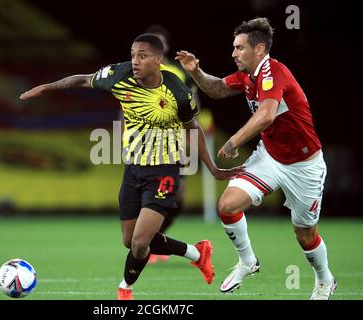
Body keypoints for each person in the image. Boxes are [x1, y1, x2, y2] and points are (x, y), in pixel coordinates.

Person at [20, 34, 244, 300]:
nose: (135, 61)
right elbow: (82, 79)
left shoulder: (177, 92)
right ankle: (197, 253)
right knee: (130, 241)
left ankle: (124, 289)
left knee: (140, 243)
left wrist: (214, 169)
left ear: (158, 61)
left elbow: (192, 129)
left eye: (142, 56)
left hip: (165, 170)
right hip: (134, 169)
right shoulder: (119, 74)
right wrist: (46, 87)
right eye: (133, 54)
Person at [176, 17, 336, 300]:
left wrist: (234, 141)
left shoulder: (275, 73)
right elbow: (216, 88)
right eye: (234, 48)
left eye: (239, 48)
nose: (233, 53)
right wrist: (196, 71)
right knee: (227, 204)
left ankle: (325, 280)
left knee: (305, 234)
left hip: (305, 165)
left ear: (259, 49)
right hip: (271, 158)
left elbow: (266, 115)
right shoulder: (248, 77)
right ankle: (248, 261)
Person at [144, 24, 201, 264]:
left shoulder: (179, 72)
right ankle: (147, 242)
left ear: (165, 47)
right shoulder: (139, 71)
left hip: (176, 140)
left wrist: (193, 132)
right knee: (149, 191)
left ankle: (155, 238)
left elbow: (192, 100)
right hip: (147, 142)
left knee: (178, 197)